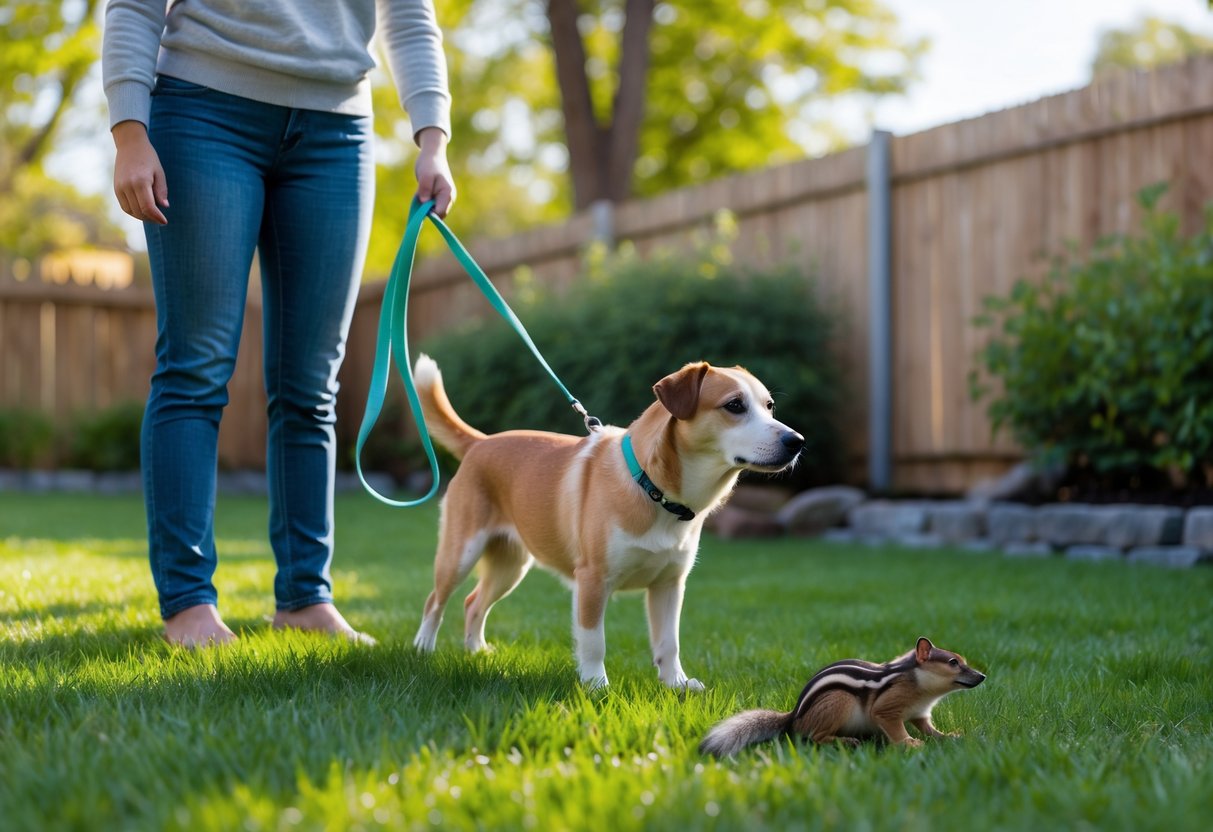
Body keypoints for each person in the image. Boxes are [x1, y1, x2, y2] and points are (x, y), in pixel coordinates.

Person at [101, 0, 455, 647]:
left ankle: (304, 597)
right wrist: (129, 130)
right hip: (203, 108)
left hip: (337, 129)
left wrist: (432, 136)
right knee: (196, 368)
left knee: (311, 386)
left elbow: (408, 14)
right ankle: (186, 604)